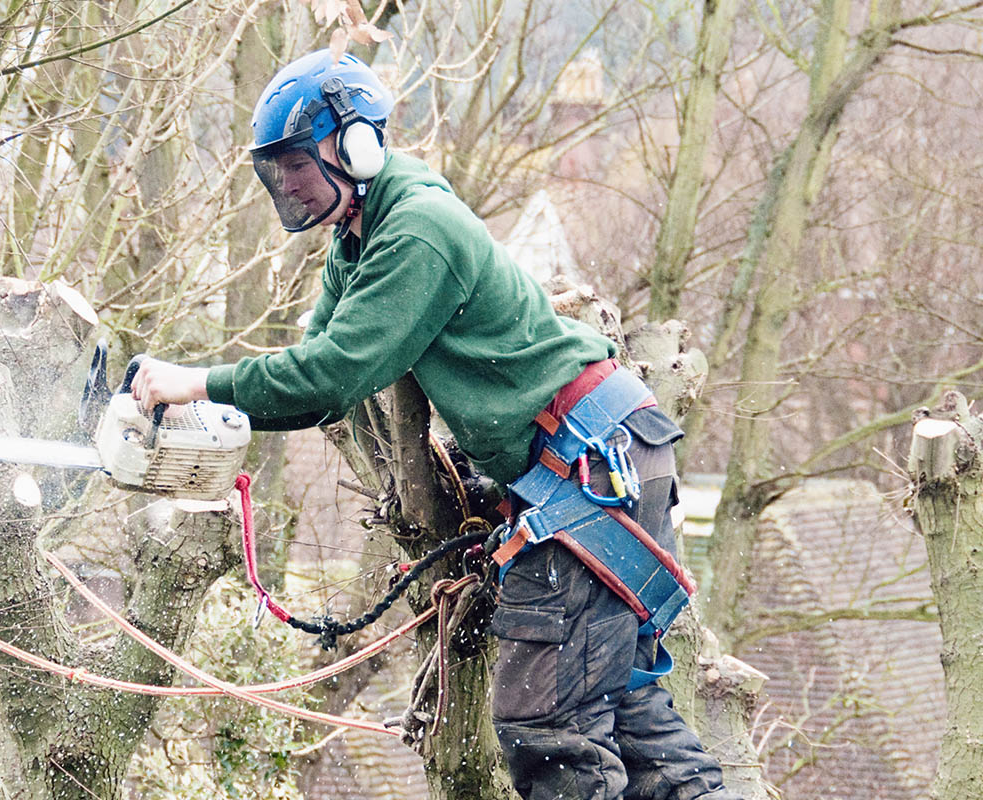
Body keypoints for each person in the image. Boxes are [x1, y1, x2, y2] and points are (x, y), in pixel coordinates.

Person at [131, 48, 741, 800]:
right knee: (627, 712)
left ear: (354, 145)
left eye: (296, 162)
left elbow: (335, 372)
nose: (285, 183)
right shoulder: (358, 236)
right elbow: (319, 375)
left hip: (589, 467)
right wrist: (217, 406)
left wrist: (194, 381)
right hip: (596, 461)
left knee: (549, 725)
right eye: (275, 168)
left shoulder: (417, 228)